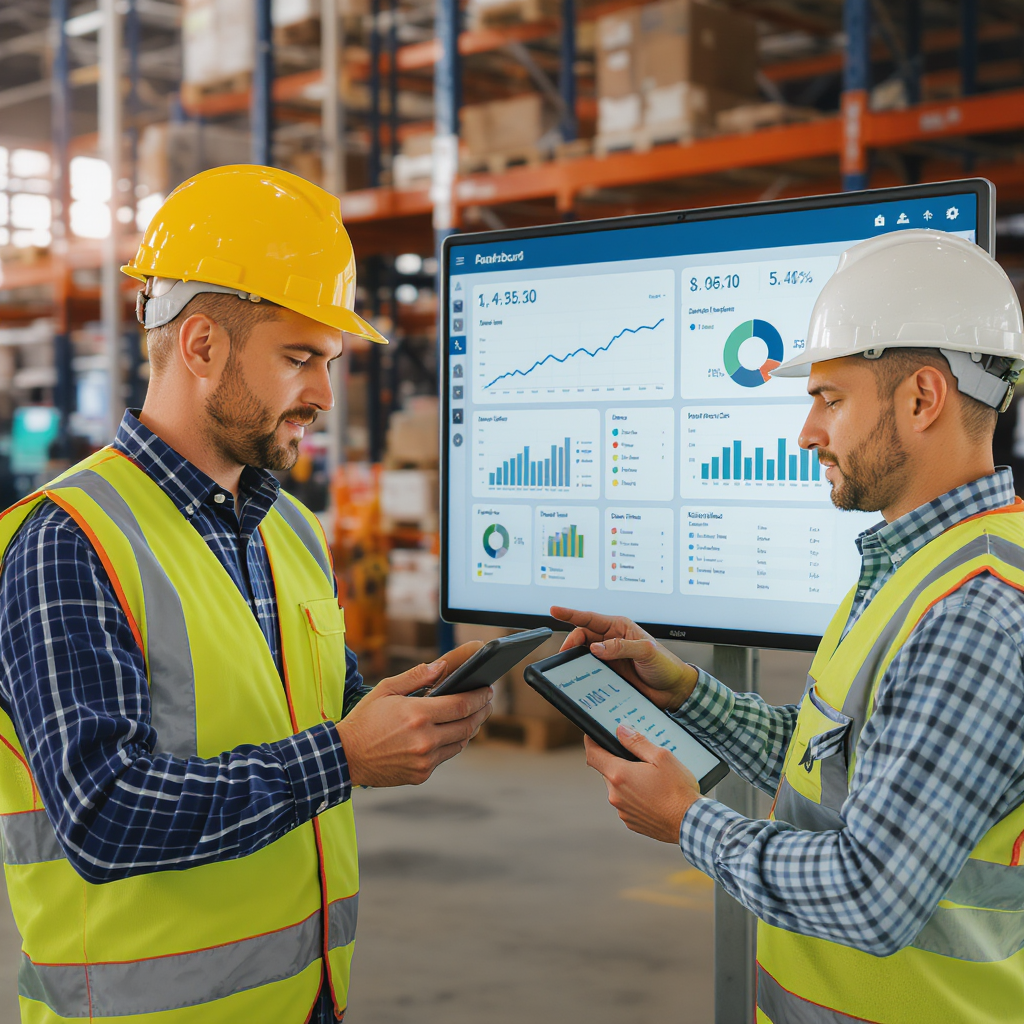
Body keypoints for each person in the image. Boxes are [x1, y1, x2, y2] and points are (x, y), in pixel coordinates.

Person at [0, 166, 492, 1023]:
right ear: (200, 346)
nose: (324, 397)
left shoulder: (289, 529)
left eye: (328, 362)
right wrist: (344, 757)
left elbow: (312, 711)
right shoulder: (68, 542)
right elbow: (103, 814)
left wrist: (402, 714)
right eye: (300, 358)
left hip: (307, 1000)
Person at [557, 230, 1024, 1023]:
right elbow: (842, 776)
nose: (808, 433)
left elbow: (870, 893)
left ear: (922, 398)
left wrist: (688, 822)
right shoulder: (917, 567)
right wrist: (686, 694)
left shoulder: (975, 612)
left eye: (830, 399)